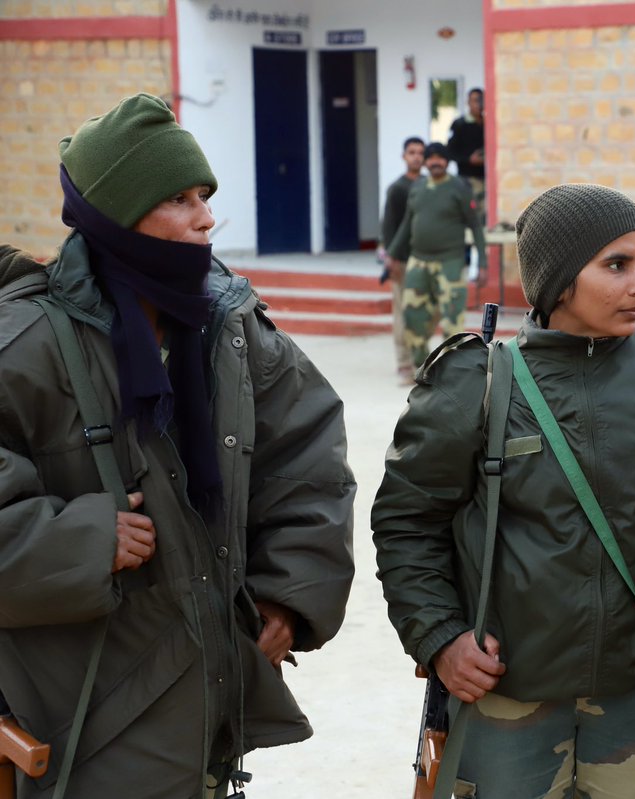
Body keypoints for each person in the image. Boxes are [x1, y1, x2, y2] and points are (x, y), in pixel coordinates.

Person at [0, 93, 356, 798]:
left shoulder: (227, 325)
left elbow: (309, 459)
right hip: (83, 731)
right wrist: (85, 538)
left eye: (205, 195)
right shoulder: (26, 344)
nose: (206, 217)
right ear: (116, 216)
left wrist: (287, 596)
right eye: (179, 198)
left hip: (206, 719)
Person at [372, 183, 635, 798]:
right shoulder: (475, 382)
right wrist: (438, 635)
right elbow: (408, 521)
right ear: (559, 279)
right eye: (616, 265)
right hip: (505, 700)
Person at [384, 141, 487, 366]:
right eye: (431, 158)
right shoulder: (417, 188)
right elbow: (406, 225)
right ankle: (422, 368)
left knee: (452, 323)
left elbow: (476, 227)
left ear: (447, 161)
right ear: (426, 162)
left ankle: (451, 372)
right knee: (411, 318)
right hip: (418, 262)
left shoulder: (458, 187)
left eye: (440, 158)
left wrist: (482, 264)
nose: (435, 162)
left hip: (450, 262)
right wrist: (390, 254)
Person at [378, 135, 425, 380]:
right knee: (402, 312)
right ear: (404, 156)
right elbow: (389, 226)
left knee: (424, 314)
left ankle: (422, 360)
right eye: (412, 152)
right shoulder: (397, 189)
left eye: (420, 152)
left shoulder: (431, 185)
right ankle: (404, 363)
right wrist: (391, 259)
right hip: (403, 261)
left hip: (427, 260)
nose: (416, 156)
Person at [447, 87, 485, 217]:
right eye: (475, 101)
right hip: (467, 178)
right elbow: (450, 152)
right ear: (468, 102)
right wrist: (469, 160)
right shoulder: (459, 124)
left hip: (486, 178)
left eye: (481, 101)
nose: (479, 104)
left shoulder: (489, 124)